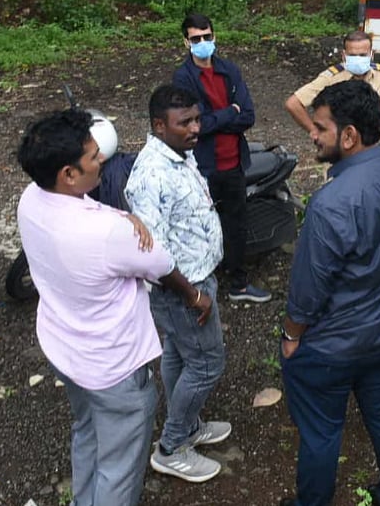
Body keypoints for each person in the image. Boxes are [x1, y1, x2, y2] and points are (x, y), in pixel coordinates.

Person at [16, 109, 187, 505]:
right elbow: (160, 264)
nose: (103, 160)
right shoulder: (107, 233)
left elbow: (92, 214)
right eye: (94, 157)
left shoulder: (32, 199)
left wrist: (123, 216)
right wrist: (195, 296)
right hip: (113, 367)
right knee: (119, 465)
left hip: (65, 348)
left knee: (88, 430)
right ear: (68, 174)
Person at [280, 80, 380, 506]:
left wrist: (292, 335)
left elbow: (309, 288)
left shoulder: (331, 202)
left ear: (349, 135)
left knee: (321, 431)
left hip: (331, 346)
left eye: (320, 128)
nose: (312, 135)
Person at [124, 85, 229, 484]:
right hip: (182, 289)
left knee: (180, 354)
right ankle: (171, 447)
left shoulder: (178, 154)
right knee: (207, 363)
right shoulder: (151, 175)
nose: (195, 128)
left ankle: (188, 425)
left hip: (197, 276)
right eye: (184, 122)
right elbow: (153, 253)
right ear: (159, 125)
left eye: (197, 119)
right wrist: (193, 294)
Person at [171, 13, 271, 303]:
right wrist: (231, 112)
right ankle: (202, 284)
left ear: (214, 36)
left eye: (206, 36)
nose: (203, 42)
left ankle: (238, 283)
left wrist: (218, 118)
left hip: (233, 162)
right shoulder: (183, 77)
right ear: (186, 42)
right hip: (204, 165)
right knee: (200, 224)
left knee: (236, 223)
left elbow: (248, 115)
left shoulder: (229, 70)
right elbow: (196, 125)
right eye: (196, 38)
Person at [284, 30, 380, 136]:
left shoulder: (379, 74)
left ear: (371, 55)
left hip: (368, 139)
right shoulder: (331, 78)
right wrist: (314, 131)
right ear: (344, 55)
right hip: (339, 141)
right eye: (352, 55)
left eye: (362, 55)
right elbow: (293, 104)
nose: (358, 59)